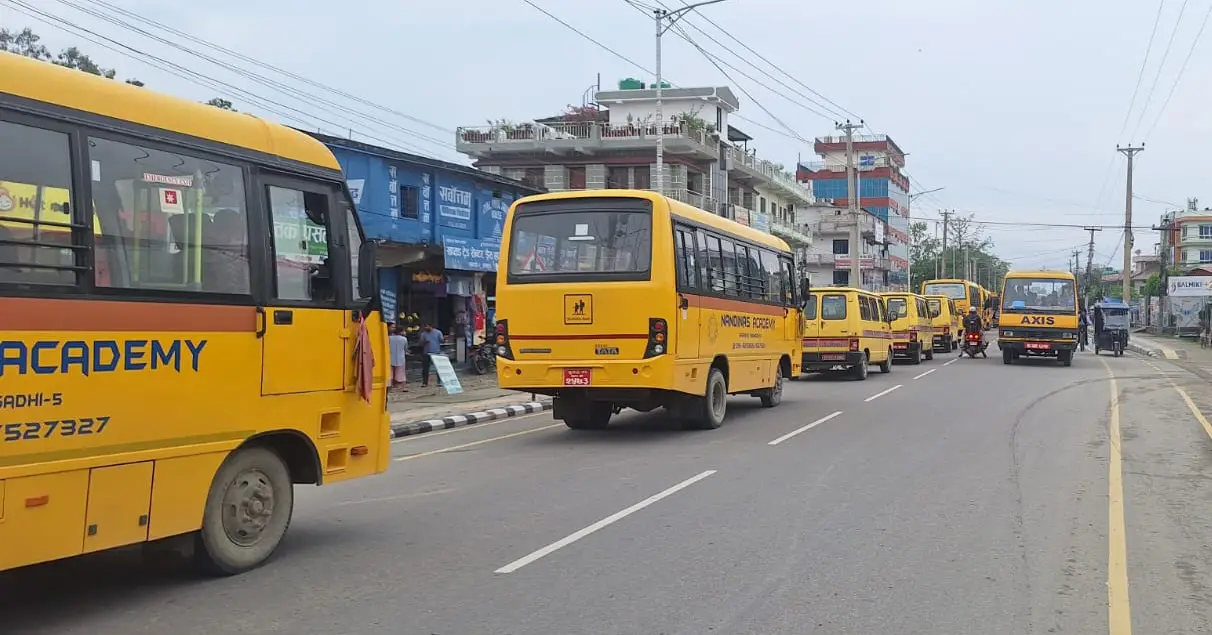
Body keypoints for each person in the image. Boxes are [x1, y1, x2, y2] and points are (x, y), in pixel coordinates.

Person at [418, 323, 444, 388]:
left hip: (436, 352)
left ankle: (439, 382)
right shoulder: (423, 334)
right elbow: (420, 344)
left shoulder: (438, 332)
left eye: (427, 326)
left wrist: (443, 340)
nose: (425, 328)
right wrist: (424, 342)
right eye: (425, 327)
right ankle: (425, 382)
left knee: (438, 368)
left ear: (431, 326)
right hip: (426, 353)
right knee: (425, 368)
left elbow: (442, 340)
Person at [388, 323, 408, 392]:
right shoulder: (404, 339)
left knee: (390, 373)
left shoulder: (388, 338)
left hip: (390, 357)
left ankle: (390, 387)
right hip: (401, 357)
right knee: (401, 372)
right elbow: (406, 348)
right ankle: (403, 387)